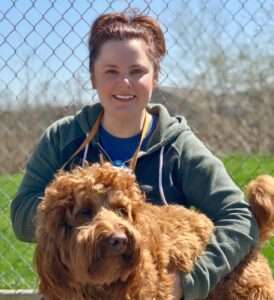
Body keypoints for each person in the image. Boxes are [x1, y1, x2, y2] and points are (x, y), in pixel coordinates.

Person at [11, 10, 258, 300]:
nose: (124, 83)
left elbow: (239, 217)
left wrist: (189, 282)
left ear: (154, 78)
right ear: (93, 77)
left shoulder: (178, 146)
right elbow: (20, 214)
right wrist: (63, 210)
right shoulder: (63, 138)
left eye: (137, 71)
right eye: (111, 71)